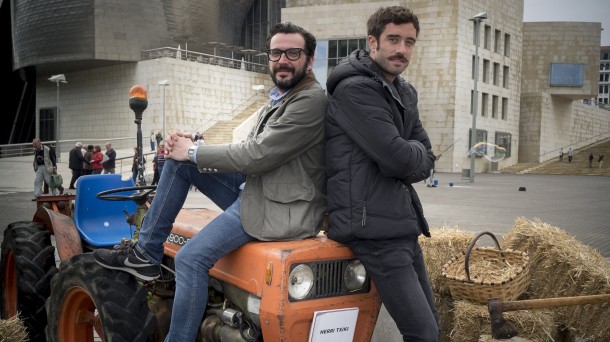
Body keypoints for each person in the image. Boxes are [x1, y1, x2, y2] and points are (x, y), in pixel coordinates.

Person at [93, 22, 327, 341]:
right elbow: (248, 147)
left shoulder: (310, 100)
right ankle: (146, 254)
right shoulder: (283, 95)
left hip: (278, 211)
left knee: (190, 258)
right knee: (179, 164)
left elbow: (257, 154)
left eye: (293, 52)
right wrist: (193, 145)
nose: (282, 59)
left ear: (309, 60)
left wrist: (195, 150)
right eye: (275, 52)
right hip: (261, 191)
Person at [325, 6, 439, 341]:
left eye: (409, 42)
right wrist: (408, 153)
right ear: (372, 42)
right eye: (393, 39)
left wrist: (409, 153)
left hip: (398, 226)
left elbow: (426, 157)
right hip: (372, 231)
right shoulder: (355, 90)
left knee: (432, 326)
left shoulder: (404, 92)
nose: (402, 49)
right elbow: (401, 160)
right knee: (423, 333)